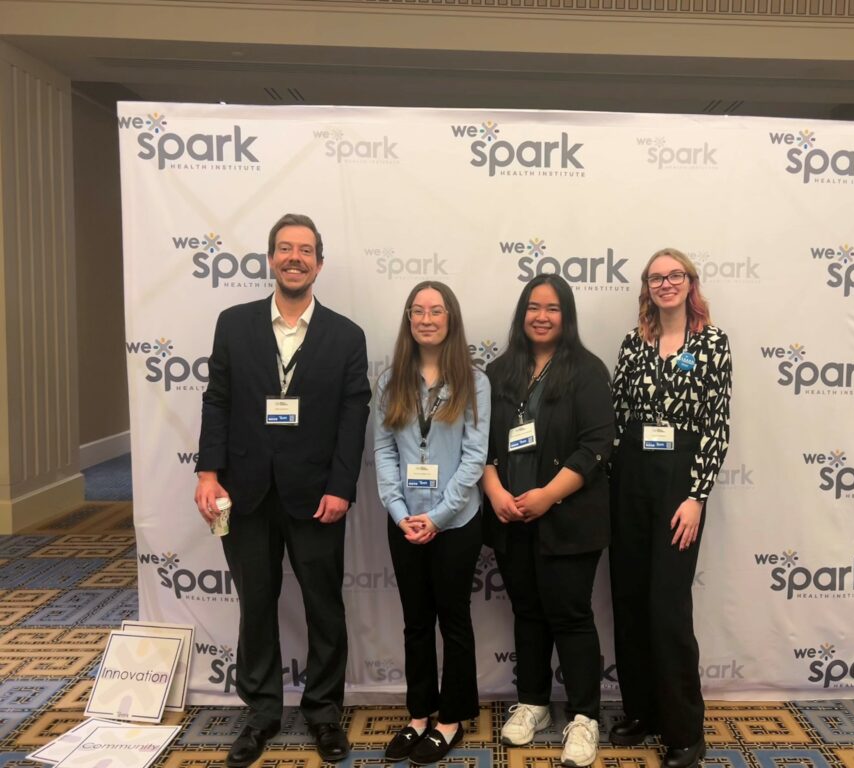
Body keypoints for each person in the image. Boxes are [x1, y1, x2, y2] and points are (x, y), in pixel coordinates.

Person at [194, 213, 370, 768]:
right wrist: (207, 473)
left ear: (320, 261)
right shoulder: (233, 323)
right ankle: (262, 712)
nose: (295, 258)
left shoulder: (346, 335)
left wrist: (342, 486)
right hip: (244, 494)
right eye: (285, 249)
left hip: (318, 495)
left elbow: (353, 415)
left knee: (324, 605)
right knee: (256, 605)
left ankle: (323, 712)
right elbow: (217, 400)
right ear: (270, 259)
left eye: (305, 250)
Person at [480, 273, 615, 768]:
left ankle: (583, 717)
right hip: (512, 517)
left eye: (552, 308)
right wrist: (494, 490)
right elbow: (482, 443)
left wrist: (548, 495)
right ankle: (534, 704)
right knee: (528, 613)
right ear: (522, 314)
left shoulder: (586, 369)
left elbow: (597, 444)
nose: (541, 316)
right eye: (533, 307)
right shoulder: (498, 373)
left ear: (567, 316)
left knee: (571, 617)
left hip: (569, 518)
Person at [608, 248, 732, 768]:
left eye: (674, 275)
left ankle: (684, 730)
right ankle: (641, 712)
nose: (666, 284)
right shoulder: (633, 344)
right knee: (630, 600)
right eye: (657, 277)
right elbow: (616, 417)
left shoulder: (713, 344)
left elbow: (717, 426)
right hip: (631, 478)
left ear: (690, 283)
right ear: (646, 287)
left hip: (679, 483)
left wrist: (696, 497)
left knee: (668, 606)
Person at [372, 281, 490, 765]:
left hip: (457, 521)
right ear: (408, 319)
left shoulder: (474, 381)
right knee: (415, 622)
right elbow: (382, 450)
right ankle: (419, 714)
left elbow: (474, 457)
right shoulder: (390, 381)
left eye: (435, 310)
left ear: (450, 319)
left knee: (453, 620)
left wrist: (437, 517)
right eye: (417, 311)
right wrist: (401, 514)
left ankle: (450, 718)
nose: (425, 318)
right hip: (404, 523)